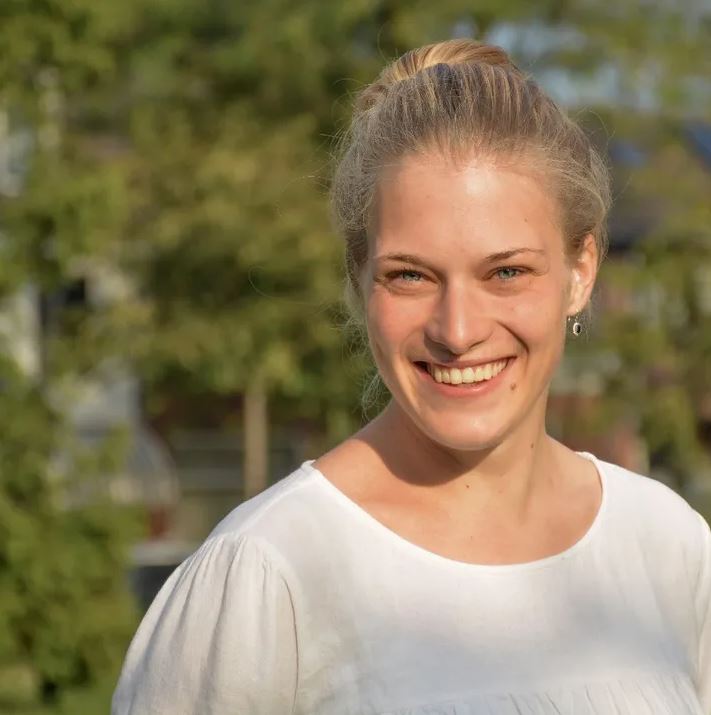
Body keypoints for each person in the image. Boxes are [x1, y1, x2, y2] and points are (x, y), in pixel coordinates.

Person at [112, 39, 711, 714]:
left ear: (581, 270)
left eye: (505, 272)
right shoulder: (269, 573)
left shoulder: (667, 544)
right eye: (411, 275)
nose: (457, 330)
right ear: (357, 280)